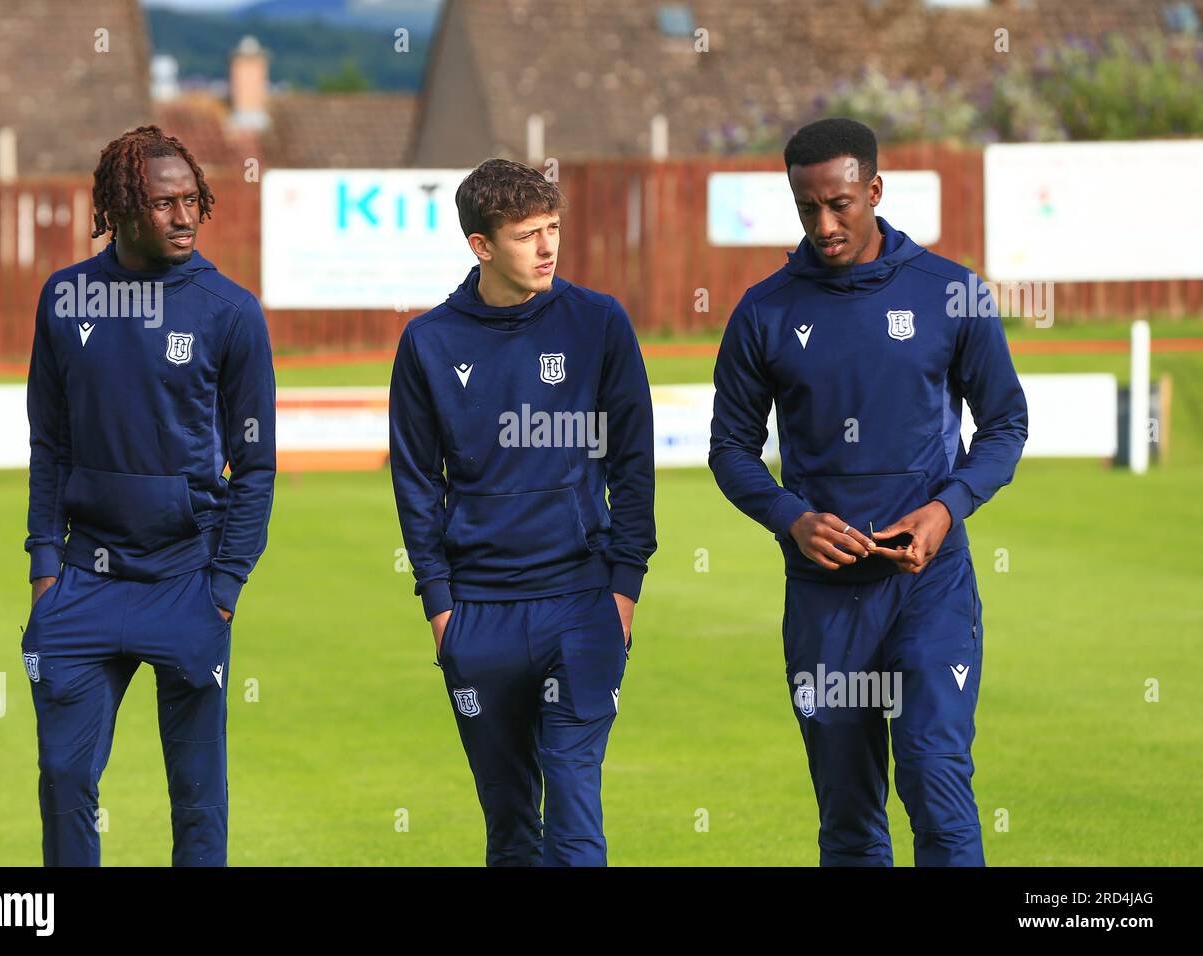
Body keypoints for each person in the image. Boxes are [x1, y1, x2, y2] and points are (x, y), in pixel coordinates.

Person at [708, 117, 1027, 866]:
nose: (824, 224)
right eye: (807, 208)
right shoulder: (766, 311)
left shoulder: (952, 294)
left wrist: (948, 507)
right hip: (825, 601)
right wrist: (791, 519)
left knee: (935, 781)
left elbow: (1006, 423)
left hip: (929, 588)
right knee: (849, 820)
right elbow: (729, 449)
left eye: (840, 204)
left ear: (874, 191)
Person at [389, 158, 656, 866]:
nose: (547, 248)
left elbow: (633, 463)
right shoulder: (428, 343)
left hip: (580, 604)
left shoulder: (598, 323)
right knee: (510, 826)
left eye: (553, 229)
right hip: (478, 616)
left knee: (573, 809)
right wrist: (441, 608)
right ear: (481, 246)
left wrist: (623, 587)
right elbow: (417, 485)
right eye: (527, 235)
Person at [22, 125, 276, 866]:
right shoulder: (66, 299)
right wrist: (44, 566)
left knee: (198, 799)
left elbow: (255, 465)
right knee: (65, 778)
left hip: (186, 585)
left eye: (192, 200)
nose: (185, 216)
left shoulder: (231, 312)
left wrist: (223, 587)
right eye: (164, 203)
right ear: (122, 207)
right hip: (82, 585)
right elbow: (49, 444)